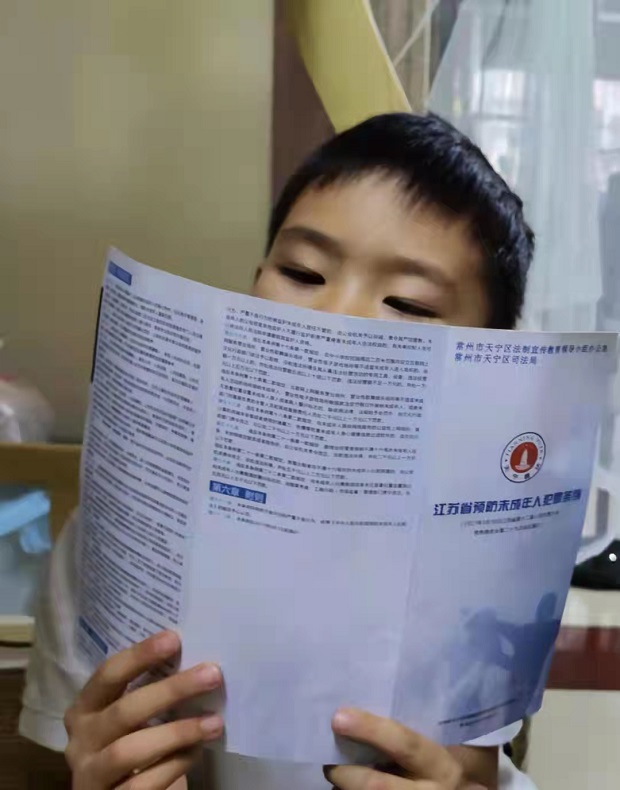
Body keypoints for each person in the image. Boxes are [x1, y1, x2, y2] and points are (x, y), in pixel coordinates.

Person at [20, 113, 538, 789]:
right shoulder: (123, 525)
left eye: (409, 304)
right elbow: (55, 757)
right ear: (255, 283)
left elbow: (482, 768)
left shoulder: (487, 565)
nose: (336, 320)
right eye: (302, 271)